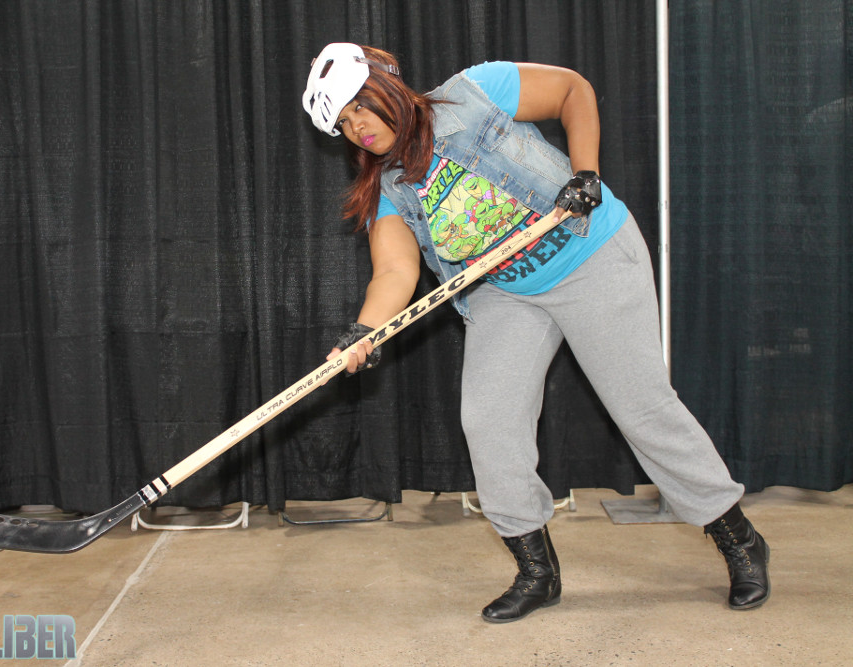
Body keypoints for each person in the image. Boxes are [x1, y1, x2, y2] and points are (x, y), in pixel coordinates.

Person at [302, 43, 770, 623]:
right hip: (506, 291)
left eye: (360, 107)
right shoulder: (389, 187)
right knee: (489, 420)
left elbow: (573, 90)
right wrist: (363, 332)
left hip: (590, 254)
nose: (358, 128)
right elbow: (395, 272)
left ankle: (738, 538)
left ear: (387, 87)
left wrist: (585, 174)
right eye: (344, 124)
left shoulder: (474, 93)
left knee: (641, 408)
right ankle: (537, 572)